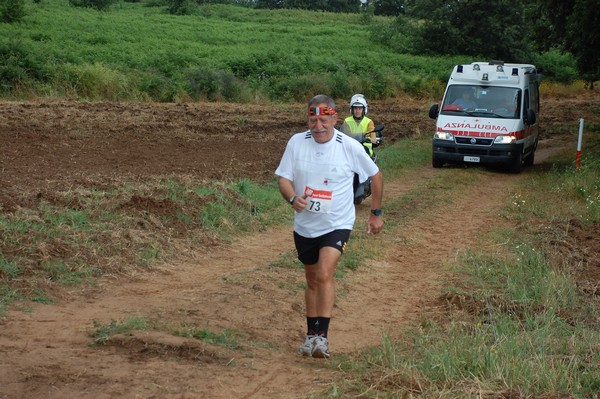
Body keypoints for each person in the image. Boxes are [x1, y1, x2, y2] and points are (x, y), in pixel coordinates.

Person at [275, 94, 384, 359]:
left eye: (324, 119)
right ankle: (311, 335)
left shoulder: (347, 146)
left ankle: (322, 338)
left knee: (324, 273)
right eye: (313, 119)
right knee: (311, 279)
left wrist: (375, 214)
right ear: (307, 119)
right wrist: (292, 198)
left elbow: (376, 175)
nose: (318, 125)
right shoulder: (296, 143)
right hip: (305, 225)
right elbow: (283, 178)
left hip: (338, 222)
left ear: (335, 118)